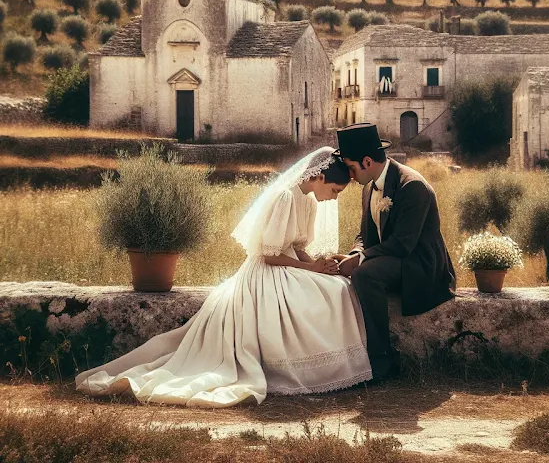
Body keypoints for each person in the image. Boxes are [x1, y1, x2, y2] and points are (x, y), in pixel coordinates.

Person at [75, 147, 372, 407]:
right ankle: (301, 369)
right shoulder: (285, 196)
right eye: (334, 191)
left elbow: (296, 246)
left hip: (290, 265)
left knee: (337, 287)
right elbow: (267, 254)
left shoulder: (308, 200)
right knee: (316, 296)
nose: (333, 198)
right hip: (266, 271)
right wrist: (310, 269)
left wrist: (319, 265)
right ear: (319, 177)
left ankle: (334, 368)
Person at [332, 123, 456, 382]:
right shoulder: (369, 186)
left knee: (365, 276)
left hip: (419, 264)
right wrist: (353, 253)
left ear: (367, 161)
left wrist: (361, 260)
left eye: (352, 168)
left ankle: (382, 359)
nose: (350, 176)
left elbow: (403, 243)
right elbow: (364, 235)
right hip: (392, 259)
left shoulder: (412, 186)